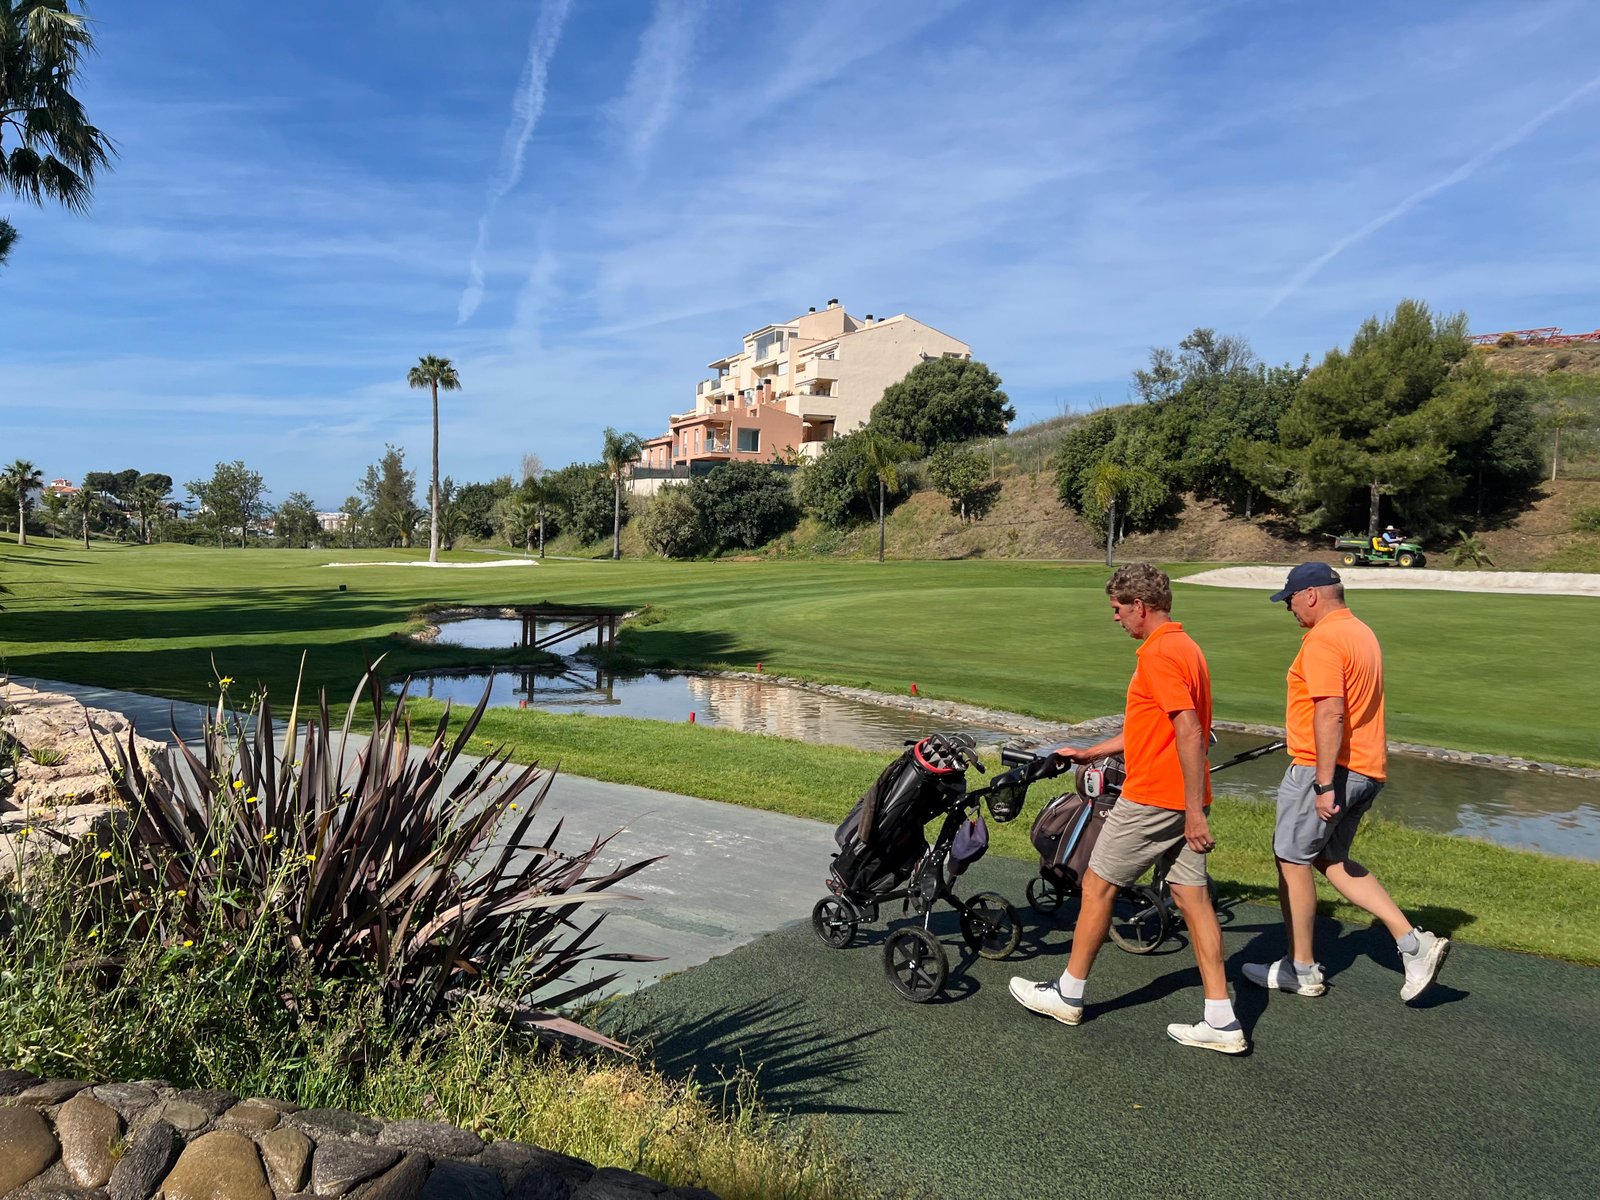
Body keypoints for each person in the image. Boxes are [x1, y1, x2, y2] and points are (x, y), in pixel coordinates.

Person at [1009, 563, 1245, 1054]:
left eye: (1118, 608)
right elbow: (1152, 729)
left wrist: (1191, 811)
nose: (1115, 617)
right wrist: (1092, 751)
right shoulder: (1187, 647)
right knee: (1193, 899)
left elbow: (1189, 730)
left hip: (1155, 797)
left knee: (1097, 886)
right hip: (1182, 798)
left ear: (1140, 605)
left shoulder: (1159, 653)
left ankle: (1067, 994)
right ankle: (1222, 1020)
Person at [1245, 562, 1449, 1002]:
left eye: (1290, 600)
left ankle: (1301, 969)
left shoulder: (1323, 639)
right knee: (1330, 858)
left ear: (1311, 595)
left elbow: (1332, 711)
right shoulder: (1361, 632)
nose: (1289, 608)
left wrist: (1322, 784)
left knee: (1291, 860)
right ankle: (1413, 943)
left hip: (1328, 770)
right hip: (1366, 768)